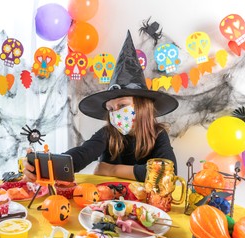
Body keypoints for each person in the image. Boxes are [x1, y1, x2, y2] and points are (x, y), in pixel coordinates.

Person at [23, 30, 179, 183]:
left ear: (141, 106)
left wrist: (112, 169)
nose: (115, 113)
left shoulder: (158, 134)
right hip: (108, 201)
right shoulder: (108, 134)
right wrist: (38, 166)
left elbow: (167, 172)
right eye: (111, 109)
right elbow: (79, 156)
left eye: (122, 105)